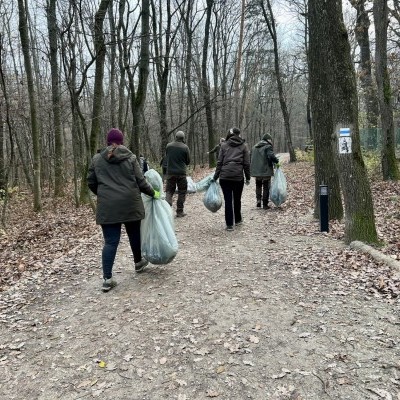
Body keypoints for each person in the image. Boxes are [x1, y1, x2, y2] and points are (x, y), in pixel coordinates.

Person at [87, 128, 160, 292]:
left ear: (107, 142)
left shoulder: (97, 159)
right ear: (121, 142)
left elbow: (91, 182)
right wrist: (154, 193)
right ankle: (138, 263)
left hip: (108, 206)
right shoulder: (130, 158)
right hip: (130, 203)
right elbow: (141, 181)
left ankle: (107, 278)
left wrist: (103, 194)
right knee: (134, 234)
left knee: (111, 241)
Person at [213, 127, 250, 231]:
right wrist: (248, 177)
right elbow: (246, 164)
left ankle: (229, 225)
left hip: (224, 177)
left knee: (228, 200)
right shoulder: (244, 146)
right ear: (239, 134)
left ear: (230, 134)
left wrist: (215, 176)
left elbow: (219, 162)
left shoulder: (224, 145)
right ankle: (237, 220)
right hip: (238, 177)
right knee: (237, 199)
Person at [250, 133, 280, 209]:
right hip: (265, 170)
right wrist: (276, 161)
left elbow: (250, 157)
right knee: (266, 186)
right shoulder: (268, 146)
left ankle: (258, 200)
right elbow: (271, 156)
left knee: (258, 185)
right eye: (271, 140)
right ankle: (265, 204)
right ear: (268, 139)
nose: (271, 141)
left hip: (256, 170)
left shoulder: (254, 147)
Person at [165, 130, 190, 217]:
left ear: (175, 137)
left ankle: (167, 208)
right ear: (183, 138)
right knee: (182, 192)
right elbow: (188, 161)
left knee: (169, 191)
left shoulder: (168, 146)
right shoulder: (185, 147)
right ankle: (179, 211)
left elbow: (167, 156)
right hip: (181, 173)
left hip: (170, 172)